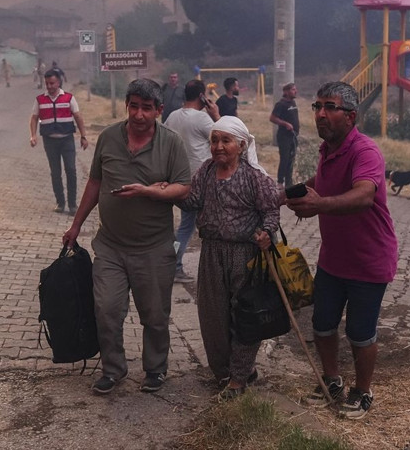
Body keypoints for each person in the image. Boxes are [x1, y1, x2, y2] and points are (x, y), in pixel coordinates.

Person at [63, 79, 191, 396]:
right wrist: (76, 224)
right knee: (106, 310)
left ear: (159, 110)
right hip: (110, 245)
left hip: (154, 248)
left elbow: (183, 187)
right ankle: (113, 369)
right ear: (127, 106)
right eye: (133, 105)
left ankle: (156, 369)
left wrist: (149, 191)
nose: (138, 114)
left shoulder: (171, 143)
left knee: (155, 315)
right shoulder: (108, 138)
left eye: (147, 108)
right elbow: (94, 182)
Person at [284, 81, 398, 420]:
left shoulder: (365, 151)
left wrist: (319, 205)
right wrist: (281, 195)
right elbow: (318, 184)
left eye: (329, 107)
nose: (320, 114)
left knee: (360, 333)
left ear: (350, 115)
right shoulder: (327, 149)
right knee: (321, 324)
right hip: (334, 259)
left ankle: (363, 391)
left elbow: (363, 195)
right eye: (317, 106)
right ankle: (332, 380)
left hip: (368, 261)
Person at [175, 116, 279, 400]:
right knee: (212, 316)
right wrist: (167, 190)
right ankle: (226, 370)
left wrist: (266, 232)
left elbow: (271, 211)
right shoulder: (206, 171)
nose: (218, 146)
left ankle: (238, 379)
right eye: (214, 140)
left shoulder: (255, 177)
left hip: (244, 255)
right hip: (211, 253)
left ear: (241, 145)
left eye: (226, 141)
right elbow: (192, 200)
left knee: (245, 315)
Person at [164, 79, 220, 282]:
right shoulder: (202, 119)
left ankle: (173, 263)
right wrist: (216, 116)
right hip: (200, 180)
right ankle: (176, 265)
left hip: (177, 178)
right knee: (192, 226)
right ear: (202, 96)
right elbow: (224, 138)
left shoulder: (172, 116)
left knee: (186, 225)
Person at [30, 70, 89, 215]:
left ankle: (73, 204)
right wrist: (33, 135)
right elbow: (34, 118)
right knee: (55, 173)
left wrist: (83, 136)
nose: (49, 86)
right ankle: (60, 203)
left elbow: (78, 117)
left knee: (71, 170)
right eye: (47, 83)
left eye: (52, 83)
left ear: (58, 82)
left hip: (67, 140)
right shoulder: (40, 100)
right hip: (50, 141)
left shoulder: (69, 98)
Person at [269, 82, 299, 188]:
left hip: (293, 136)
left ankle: (289, 182)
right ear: (286, 92)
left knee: (291, 159)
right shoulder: (280, 104)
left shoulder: (293, 103)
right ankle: (280, 182)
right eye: (293, 89)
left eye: (295, 89)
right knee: (285, 159)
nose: (295, 91)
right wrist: (285, 124)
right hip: (284, 136)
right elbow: (272, 118)